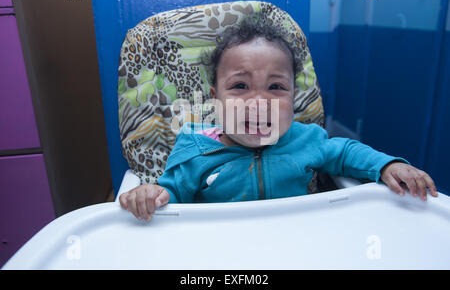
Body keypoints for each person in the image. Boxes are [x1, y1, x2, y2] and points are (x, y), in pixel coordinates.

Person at [119, 15, 438, 222]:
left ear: (293, 98)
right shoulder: (194, 150)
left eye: (276, 87)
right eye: (240, 86)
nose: (259, 102)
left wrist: (387, 165)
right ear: (215, 99)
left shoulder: (306, 139)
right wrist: (150, 196)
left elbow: (345, 153)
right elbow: (170, 198)